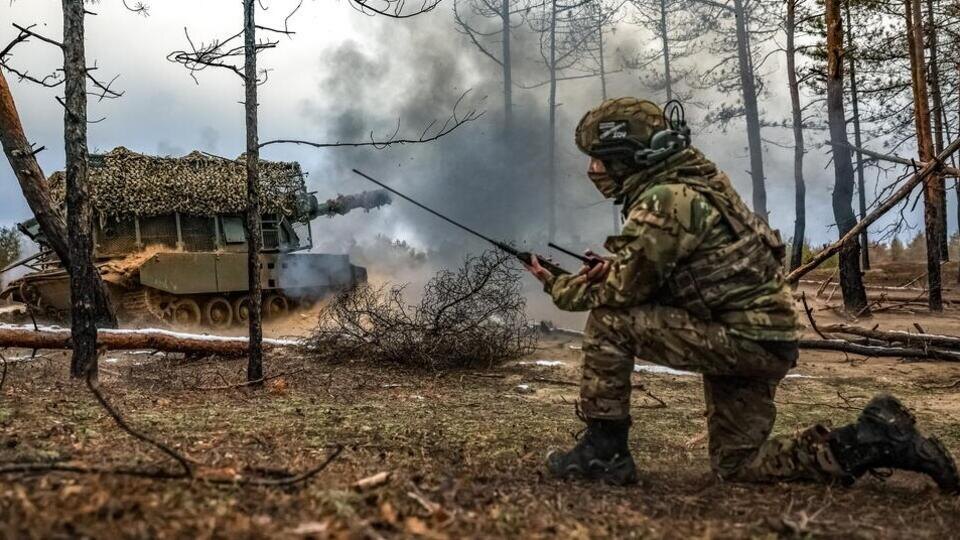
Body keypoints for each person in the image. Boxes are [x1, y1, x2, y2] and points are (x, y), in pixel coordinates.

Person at [525, 97, 959, 492]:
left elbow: (621, 295)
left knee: (610, 322)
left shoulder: (666, 199)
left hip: (739, 340)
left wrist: (557, 283)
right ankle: (873, 440)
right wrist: (617, 272)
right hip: (760, 340)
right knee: (740, 465)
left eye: (602, 159)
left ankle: (605, 454)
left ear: (632, 158)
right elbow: (681, 273)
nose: (593, 170)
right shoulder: (699, 185)